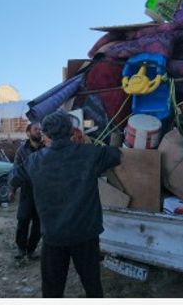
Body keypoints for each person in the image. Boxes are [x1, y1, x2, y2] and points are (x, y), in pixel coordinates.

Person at [15, 111, 122, 298]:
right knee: (92, 285)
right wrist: (85, 144)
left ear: (45, 134)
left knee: (52, 290)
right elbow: (117, 155)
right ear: (72, 131)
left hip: (53, 236)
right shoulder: (90, 154)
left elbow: (13, 178)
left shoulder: (34, 160)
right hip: (85, 234)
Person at [8, 123, 45, 261]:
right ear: (28, 133)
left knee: (39, 222)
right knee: (23, 219)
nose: (39, 131)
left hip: (42, 191)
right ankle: (20, 249)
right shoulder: (21, 151)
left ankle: (31, 250)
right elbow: (15, 171)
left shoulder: (46, 148)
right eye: (36, 129)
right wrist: (12, 189)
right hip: (27, 190)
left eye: (40, 129)